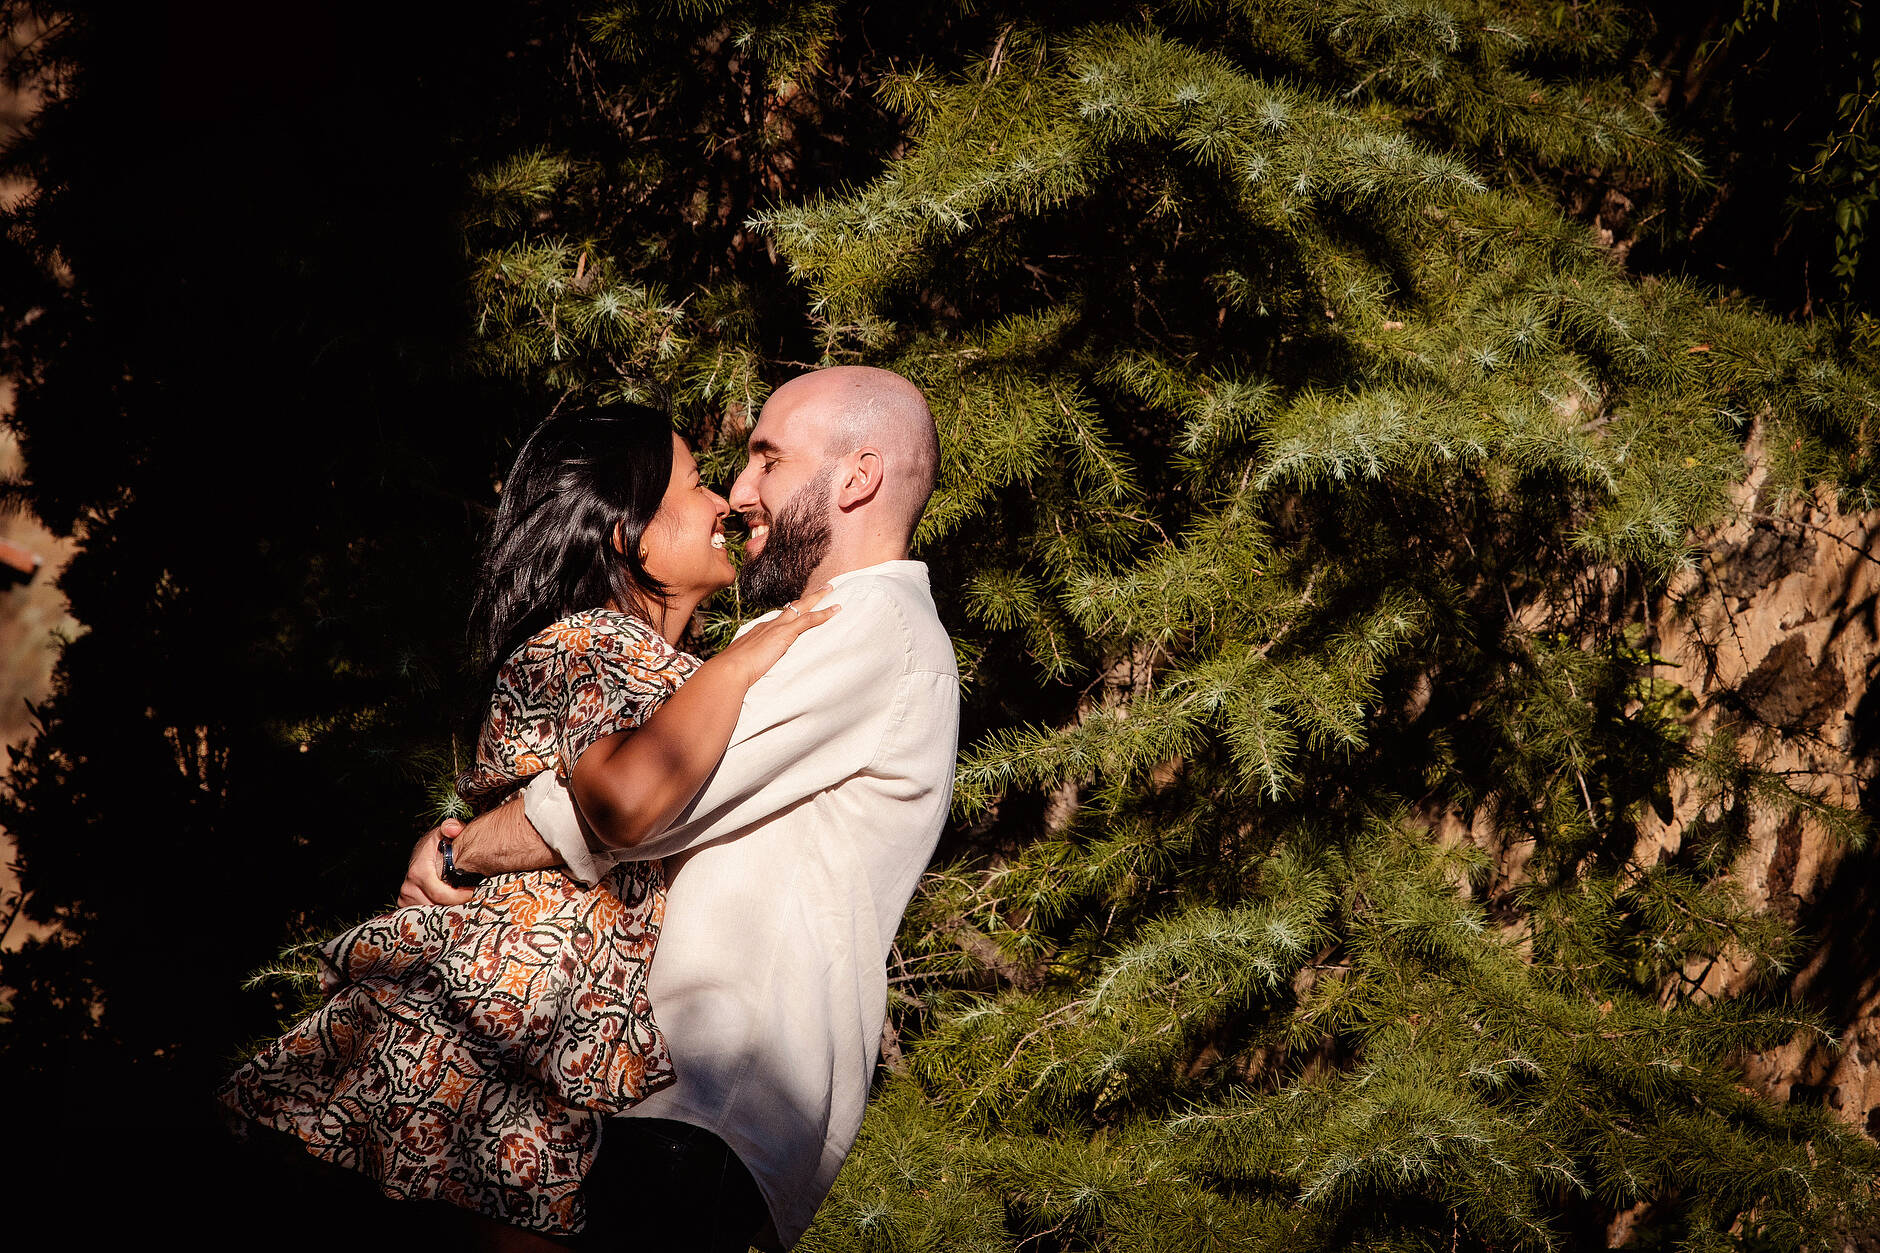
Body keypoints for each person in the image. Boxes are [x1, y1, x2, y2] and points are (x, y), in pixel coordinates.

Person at [219, 405, 836, 1245]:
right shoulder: (591, 644)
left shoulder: (645, 658)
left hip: (539, 1037)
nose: (724, 501)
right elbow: (619, 797)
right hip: (503, 1031)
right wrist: (742, 661)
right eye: (696, 484)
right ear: (625, 531)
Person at [402, 365, 960, 1251]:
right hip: (650, 1094)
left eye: (768, 459)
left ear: (858, 477)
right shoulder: (801, 629)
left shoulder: (865, 626)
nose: (740, 493)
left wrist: (461, 852)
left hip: (697, 1100)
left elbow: (634, 800)